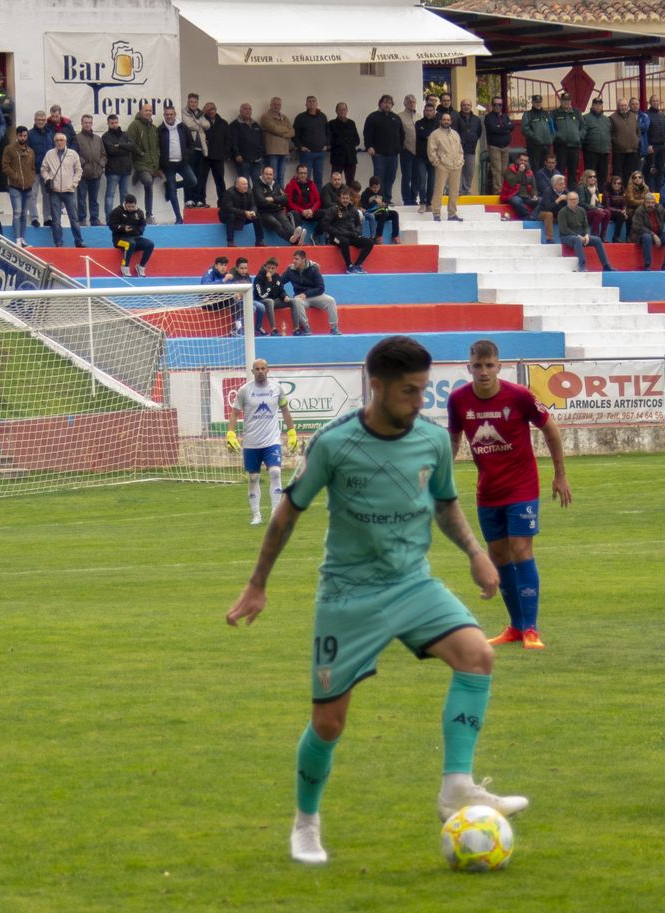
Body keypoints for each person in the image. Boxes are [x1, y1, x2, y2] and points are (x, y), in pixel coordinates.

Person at [226, 336, 529, 865]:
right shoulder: (334, 442)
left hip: (413, 585)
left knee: (478, 655)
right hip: (348, 596)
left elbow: (446, 504)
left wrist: (476, 553)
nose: (419, 401)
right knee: (328, 723)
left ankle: (456, 787)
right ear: (377, 387)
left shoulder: (432, 440)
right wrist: (257, 584)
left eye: (424, 390)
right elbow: (288, 512)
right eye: (409, 391)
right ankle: (306, 824)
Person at [447, 338, 572, 650]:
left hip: (522, 486)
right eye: (478, 365)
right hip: (488, 490)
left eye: (489, 365)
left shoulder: (519, 396)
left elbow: (551, 430)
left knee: (520, 548)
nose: (484, 371)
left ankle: (531, 629)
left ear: (499, 367)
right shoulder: (458, 400)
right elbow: (453, 438)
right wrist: (442, 476)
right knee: (499, 555)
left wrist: (560, 475)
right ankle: (515, 627)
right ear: (468, 368)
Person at [226, 358, 299, 527]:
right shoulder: (244, 391)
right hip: (251, 443)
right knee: (253, 478)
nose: (260, 371)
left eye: (263, 368)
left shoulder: (276, 388)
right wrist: (230, 434)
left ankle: (275, 513)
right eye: (257, 369)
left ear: (268, 370)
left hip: (272, 441)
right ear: (252, 371)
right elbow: (235, 413)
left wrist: (292, 433)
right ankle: (256, 515)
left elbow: (285, 410)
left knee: (275, 472)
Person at [40, 132, 85, 249]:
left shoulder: (73, 154)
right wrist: (48, 179)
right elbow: (43, 169)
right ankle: (58, 243)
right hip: (54, 191)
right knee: (56, 219)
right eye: (57, 140)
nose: (59, 142)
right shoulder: (49, 154)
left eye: (61, 140)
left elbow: (78, 170)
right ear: (54, 142)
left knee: (74, 218)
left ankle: (79, 241)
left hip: (69, 191)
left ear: (65, 142)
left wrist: (73, 184)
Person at [158, 105, 201, 223]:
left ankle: (171, 186)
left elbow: (191, 144)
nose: (169, 116)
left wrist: (186, 155)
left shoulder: (182, 127)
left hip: (182, 162)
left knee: (193, 181)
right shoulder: (160, 130)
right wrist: (160, 166)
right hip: (168, 165)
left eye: (171, 114)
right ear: (164, 115)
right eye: (167, 114)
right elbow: (157, 149)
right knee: (173, 192)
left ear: (175, 114)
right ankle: (178, 217)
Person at [281, 250, 339, 335]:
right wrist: (284, 295)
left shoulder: (313, 269)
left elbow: (321, 288)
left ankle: (334, 328)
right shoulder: (290, 270)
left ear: (303, 259)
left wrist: (306, 294)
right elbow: (279, 283)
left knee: (331, 300)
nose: (294, 261)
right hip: (300, 298)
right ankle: (306, 328)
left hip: (315, 296)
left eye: (296, 259)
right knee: (296, 301)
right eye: (293, 259)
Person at [556, 190, 613, 272]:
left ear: (578, 200)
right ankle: (582, 266)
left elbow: (586, 226)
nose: (573, 201)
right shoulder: (562, 212)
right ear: (567, 200)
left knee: (597, 240)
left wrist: (587, 234)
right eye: (571, 199)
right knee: (577, 239)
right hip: (566, 236)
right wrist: (578, 236)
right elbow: (564, 229)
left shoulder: (582, 210)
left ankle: (606, 265)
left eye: (575, 199)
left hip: (581, 235)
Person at [0, 126, 36, 247]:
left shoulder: (31, 151)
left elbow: (33, 168)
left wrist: (31, 179)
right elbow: (5, 166)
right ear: (17, 136)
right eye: (21, 135)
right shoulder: (9, 149)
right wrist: (15, 176)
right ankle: (17, 239)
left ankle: (22, 238)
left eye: (25, 136)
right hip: (15, 186)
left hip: (28, 187)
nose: (23, 138)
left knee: (24, 214)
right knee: (17, 212)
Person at [322, 187, 373, 273]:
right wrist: (336, 232)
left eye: (347, 198)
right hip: (336, 237)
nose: (345, 200)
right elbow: (325, 224)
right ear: (340, 198)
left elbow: (358, 224)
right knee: (344, 241)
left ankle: (358, 265)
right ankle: (349, 266)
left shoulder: (354, 210)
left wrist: (356, 233)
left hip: (351, 236)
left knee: (369, 242)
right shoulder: (333, 209)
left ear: (350, 199)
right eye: (343, 198)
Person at [363, 94, 404, 198]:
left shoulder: (396, 118)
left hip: (393, 154)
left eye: (389, 103)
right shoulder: (372, 117)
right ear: (380, 103)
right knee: (379, 178)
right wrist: (369, 146)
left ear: (392, 105)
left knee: (391, 177)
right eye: (385, 102)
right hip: (378, 154)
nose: (387, 105)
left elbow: (401, 134)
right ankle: (379, 199)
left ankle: (387, 199)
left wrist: (399, 148)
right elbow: (367, 133)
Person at [427, 112, 465, 222]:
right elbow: (431, 151)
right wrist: (437, 163)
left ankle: (452, 214)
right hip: (442, 167)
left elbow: (460, 149)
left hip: (456, 167)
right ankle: (436, 213)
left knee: (454, 191)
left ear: (451, 122)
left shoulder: (455, 134)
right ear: (440, 121)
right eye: (444, 119)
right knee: (439, 190)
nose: (446, 121)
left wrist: (461, 161)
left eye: (448, 120)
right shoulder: (435, 134)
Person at [255, 165, 304, 246]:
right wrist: (278, 202)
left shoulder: (276, 184)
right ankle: (295, 241)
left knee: (286, 223)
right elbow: (261, 201)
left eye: (270, 174)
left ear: (273, 175)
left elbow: (285, 198)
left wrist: (273, 199)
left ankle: (296, 239)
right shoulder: (257, 186)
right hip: (264, 213)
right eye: (266, 174)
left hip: (277, 211)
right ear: (262, 174)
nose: (268, 176)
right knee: (276, 224)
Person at [127, 104, 160, 221]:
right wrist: (140, 153)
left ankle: (149, 214)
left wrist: (157, 157)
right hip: (140, 162)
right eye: (146, 110)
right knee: (148, 181)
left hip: (152, 164)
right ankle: (138, 173)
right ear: (141, 112)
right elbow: (130, 142)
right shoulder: (135, 125)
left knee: (149, 188)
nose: (148, 112)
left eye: (150, 110)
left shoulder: (154, 128)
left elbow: (157, 145)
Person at [108, 193, 153, 277]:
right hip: (119, 239)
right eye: (129, 206)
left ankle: (141, 266)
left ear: (135, 204)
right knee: (130, 244)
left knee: (150, 244)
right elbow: (111, 225)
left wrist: (139, 231)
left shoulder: (139, 212)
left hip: (135, 238)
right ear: (125, 203)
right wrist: (123, 228)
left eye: (132, 206)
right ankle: (125, 266)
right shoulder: (117, 211)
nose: (131, 208)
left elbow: (143, 224)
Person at [630, 194, 665, 270]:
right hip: (641, 236)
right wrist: (653, 234)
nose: (650, 205)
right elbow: (637, 227)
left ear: (655, 203)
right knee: (647, 237)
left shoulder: (659, 208)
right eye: (648, 202)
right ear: (644, 202)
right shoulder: (639, 211)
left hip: (658, 234)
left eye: (652, 203)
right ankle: (647, 265)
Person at [74, 114, 105, 225]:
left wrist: (101, 165)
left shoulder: (98, 139)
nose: (87, 125)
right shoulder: (77, 138)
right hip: (83, 174)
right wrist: (84, 164)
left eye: (89, 123)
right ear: (81, 123)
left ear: (92, 124)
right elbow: (74, 154)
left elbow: (103, 154)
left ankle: (94, 219)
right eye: (85, 122)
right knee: (81, 199)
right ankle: (82, 219)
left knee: (94, 199)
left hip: (96, 174)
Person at [259, 97, 295, 186]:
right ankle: (272, 193)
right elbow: (274, 129)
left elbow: (292, 132)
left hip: (284, 151)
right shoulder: (265, 116)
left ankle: (281, 194)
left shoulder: (285, 118)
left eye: (279, 105)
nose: (276, 106)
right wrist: (286, 130)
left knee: (281, 176)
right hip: (272, 151)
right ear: (270, 105)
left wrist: (283, 133)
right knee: (272, 176)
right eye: (274, 104)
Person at [293, 95, 329, 187]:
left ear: (317, 104)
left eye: (313, 101)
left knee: (318, 179)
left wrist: (327, 145)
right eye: (309, 101)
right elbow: (294, 135)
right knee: (304, 178)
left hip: (320, 153)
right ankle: (305, 196)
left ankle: (317, 196)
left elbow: (328, 132)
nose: (312, 103)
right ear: (306, 104)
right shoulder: (300, 117)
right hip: (306, 153)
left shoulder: (323, 117)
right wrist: (301, 146)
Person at [219, 175, 261, 246]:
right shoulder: (229, 193)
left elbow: (253, 205)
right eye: (243, 184)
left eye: (246, 184)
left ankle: (259, 240)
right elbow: (228, 208)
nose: (246, 186)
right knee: (231, 215)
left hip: (243, 215)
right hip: (227, 216)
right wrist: (244, 213)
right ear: (237, 185)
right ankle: (230, 241)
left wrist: (252, 212)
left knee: (257, 215)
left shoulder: (249, 192)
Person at [327, 102, 361, 188]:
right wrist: (340, 143)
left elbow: (357, 140)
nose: (342, 111)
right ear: (336, 111)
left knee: (351, 181)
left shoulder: (351, 123)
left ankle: (348, 196)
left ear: (347, 111)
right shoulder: (331, 124)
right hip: (337, 157)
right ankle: (334, 196)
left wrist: (349, 143)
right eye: (340, 109)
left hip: (351, 157)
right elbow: (329, 140)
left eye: (344, 109)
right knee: (335, 181)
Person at [484, 103, 515, 195]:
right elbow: (493, 129)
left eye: (500, 105)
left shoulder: (505, 116)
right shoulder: (489, 117)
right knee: (497, 170)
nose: (498, 107)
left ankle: (503, 190)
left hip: (505, 146)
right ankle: (497, 191)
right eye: (495, 105)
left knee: (504, 170)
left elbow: (511, 126)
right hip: (494, 146)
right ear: (492, 106)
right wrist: (505, 129)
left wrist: (501, 127)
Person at [361, 176, 400, 243]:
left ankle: (395, 236)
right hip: (373, 214)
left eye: (378, 187)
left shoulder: (381, 192)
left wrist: (384, 205)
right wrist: (373, 202)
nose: (376, 189)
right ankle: (379, 236)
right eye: (374, 187)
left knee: (395, 214)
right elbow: (365, 207)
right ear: (370, 187)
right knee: (383, 213)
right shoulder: (365, 194)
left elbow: (385, 204)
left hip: (382, 212)